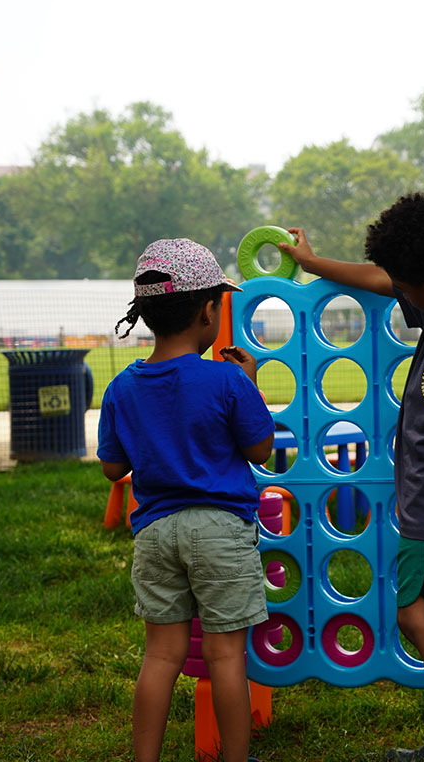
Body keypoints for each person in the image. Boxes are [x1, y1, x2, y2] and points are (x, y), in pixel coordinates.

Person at [279, 193, 424, 762]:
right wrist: (313, 263)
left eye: (407, 287)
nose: (398, 293)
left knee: (416, 614)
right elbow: (382, 279)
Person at [98, 238, 274, 762]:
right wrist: (250, 384)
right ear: (207, 311)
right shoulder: (226, 378)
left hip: (155, 533)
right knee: (225, 657)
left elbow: (113, 469)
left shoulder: (121, 387)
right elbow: (260, 449)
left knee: (160, 655)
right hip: (221, 532)